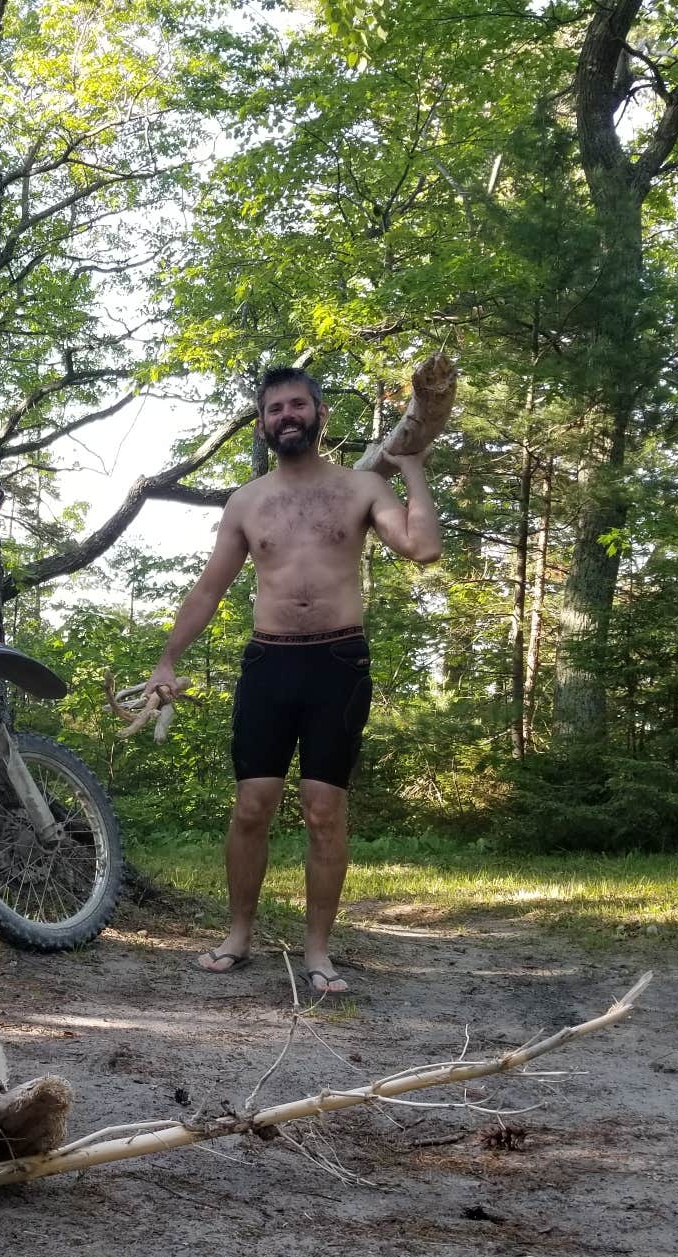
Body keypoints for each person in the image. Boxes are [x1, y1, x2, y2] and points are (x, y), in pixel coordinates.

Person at [147, 367, 440, 995]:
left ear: (319, 413)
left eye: (298, 405)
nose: (287, 415)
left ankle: (317, 950)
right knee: (252, 806)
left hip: (338, 664)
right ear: (263, 422)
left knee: (323, 811)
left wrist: (411, 466)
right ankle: (238, 934)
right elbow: (209, 588)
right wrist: (169, 659)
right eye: (275, 407)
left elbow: (421, 548)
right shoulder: (248, 502)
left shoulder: (361, 487)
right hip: (268, 663)